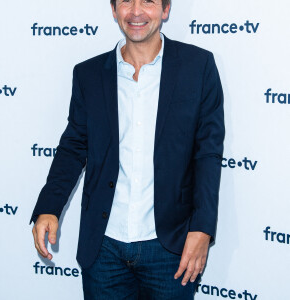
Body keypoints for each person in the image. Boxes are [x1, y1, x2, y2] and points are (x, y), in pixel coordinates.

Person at [30, 0, 225, 299]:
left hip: (171, 246)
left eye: (148, 1)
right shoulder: (88, 75)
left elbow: (208, 154)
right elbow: (73, 146)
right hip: (104, 248)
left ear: (166, 9)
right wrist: (49, 206)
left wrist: (203, 228)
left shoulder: (198, 68)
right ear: (113, 10)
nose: (136, 11)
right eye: (125, 1)